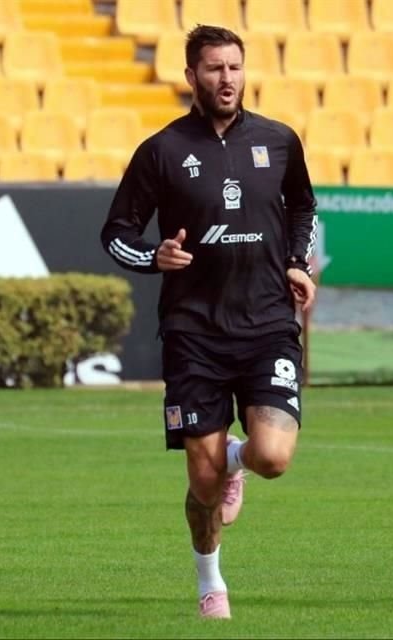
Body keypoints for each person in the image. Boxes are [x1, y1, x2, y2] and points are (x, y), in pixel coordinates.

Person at [100, 25, 317, 619]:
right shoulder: (162, 150)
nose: (227, 79)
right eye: (215, 69)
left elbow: (304, 206)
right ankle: (210, 583)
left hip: (268, 321)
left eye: (235, 67)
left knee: (272, 456)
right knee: (202, 486)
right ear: (191, 75)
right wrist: (154, 258)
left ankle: (236, 463)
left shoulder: (278, 141)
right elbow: (115, 233)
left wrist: (297, 262)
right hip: (194, 331)